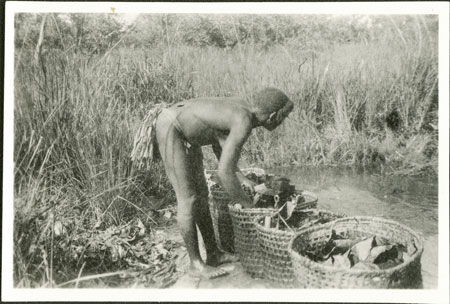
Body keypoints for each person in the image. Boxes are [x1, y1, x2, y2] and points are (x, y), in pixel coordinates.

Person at [132, 87, 294, 279]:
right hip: (171, 127)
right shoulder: (243, 121)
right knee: (188, 199)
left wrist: (242, 179)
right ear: (273, 116)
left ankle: (213, 254)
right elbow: (224, 173)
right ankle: (195, 265)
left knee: (201, 194)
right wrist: (248, 206)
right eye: (283, 118)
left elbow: (221, 144)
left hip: (184, 131)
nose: (282, 122)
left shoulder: (243, 110)